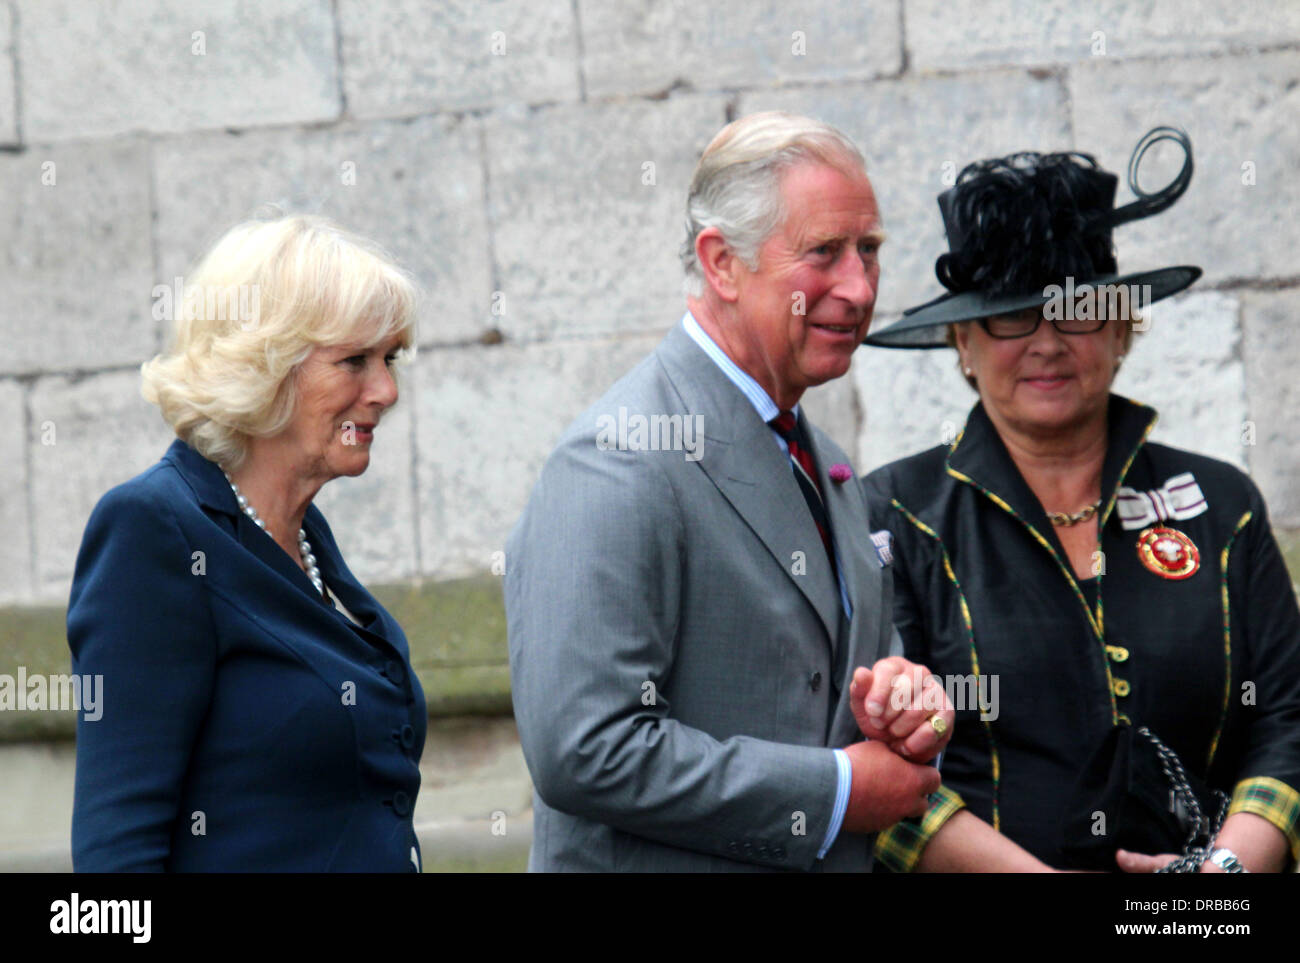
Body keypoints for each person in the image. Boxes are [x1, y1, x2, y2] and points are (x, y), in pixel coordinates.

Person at [506, 111, 955, 872]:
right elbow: (585, 749)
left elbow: (842, 684)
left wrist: (908, 701)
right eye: (823, 253)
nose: (858, 286)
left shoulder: (827, 463)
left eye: (869, 250)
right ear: (722, 263)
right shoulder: (618, 457)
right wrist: (838, 790)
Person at [861, 128, 1300, 872]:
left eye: (1078, 307)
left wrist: (1220, 879)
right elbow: (866, 764)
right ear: (961, 342)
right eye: (1010, 315)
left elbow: (1286, 722)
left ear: (1124, 326)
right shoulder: (895, 515)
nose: (1047, 340)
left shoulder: (1222, 506)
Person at [68, 213, 428, 871]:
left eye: (390, 358)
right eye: (354, 360)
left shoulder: (303, 532)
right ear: (264, 365)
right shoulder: (154, 531)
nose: (386, 390)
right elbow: (117, 855)